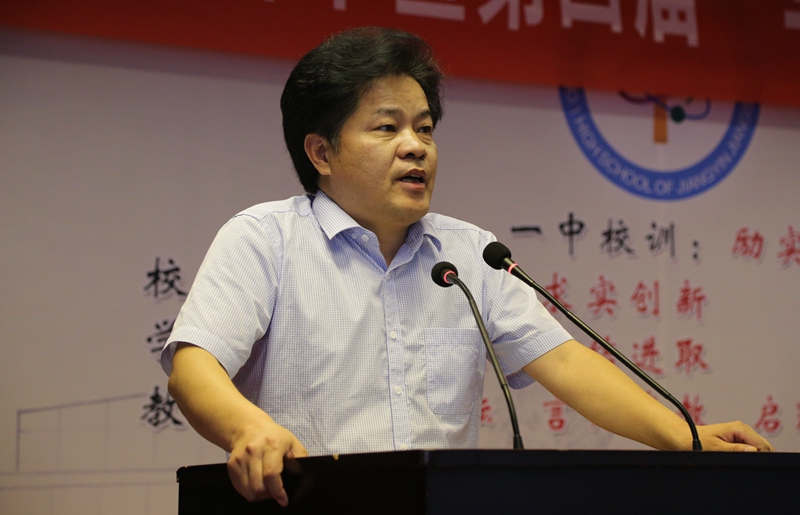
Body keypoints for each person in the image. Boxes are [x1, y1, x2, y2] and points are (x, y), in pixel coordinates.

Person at [161, 27, 772, 507]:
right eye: (387, 127)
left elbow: (564, 362)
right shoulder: (264, 239)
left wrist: (686, 438)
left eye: (425, 128)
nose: (416, 146)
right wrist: (247, 429)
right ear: (321, 151)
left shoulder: (471, 254)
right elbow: (194, 364)